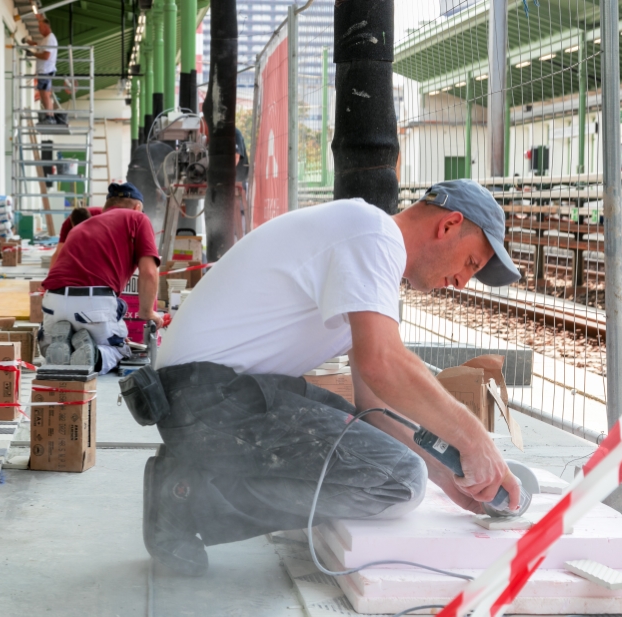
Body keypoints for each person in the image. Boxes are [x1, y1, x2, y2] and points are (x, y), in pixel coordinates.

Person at [142, 179, 522, 576]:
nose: (462, 281)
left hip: (215, 395)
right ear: (448, 225)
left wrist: (448, 476)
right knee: (398, 481)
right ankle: (187, 499)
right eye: (471, 263)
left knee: (396, 463)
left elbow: (376, 408)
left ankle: (189, 478)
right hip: (202, 398)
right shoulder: (373, 235)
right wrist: (474, 440)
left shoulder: (369, 253)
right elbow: (383, 363)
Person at [38, 183, 163, 374]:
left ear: (106, 207)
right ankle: (95, 354)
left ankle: (64, 344)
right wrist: (148, 313)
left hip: (52, 302)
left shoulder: (82, 226)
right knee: (120, 349)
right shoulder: (138, 218)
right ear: (138, 207)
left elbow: (57, 261)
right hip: (93, 305)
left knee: (54, 348)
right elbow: (149, 272)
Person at [25, 16, 58, 122]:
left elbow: (46, 56)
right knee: (45, 94)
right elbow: (40, 46)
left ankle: (49, 117)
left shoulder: (50, 39)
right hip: (44, 70)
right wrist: (31, 43)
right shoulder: (47, 39)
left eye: (40, 27)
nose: (39, 29)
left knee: (44, 94)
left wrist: (33, 53)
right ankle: (50, 116)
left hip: (46, 71)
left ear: (45, 27)